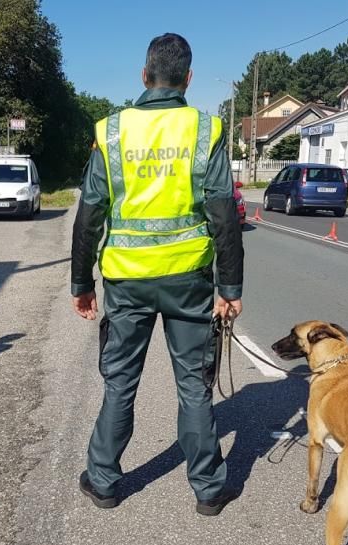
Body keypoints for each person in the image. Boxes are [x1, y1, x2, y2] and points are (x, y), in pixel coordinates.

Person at [70, 33, 244, 516]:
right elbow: (224, 214)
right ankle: (208, 489)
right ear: (188, 79)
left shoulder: (111, 130)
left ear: (144, 76)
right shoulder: (205, 129)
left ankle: (104, 481)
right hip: (189, 280)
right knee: (193, 383)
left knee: (121, 381)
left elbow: (89, 213)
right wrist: (229, 288)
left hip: (126, 280)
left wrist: (81, 284)